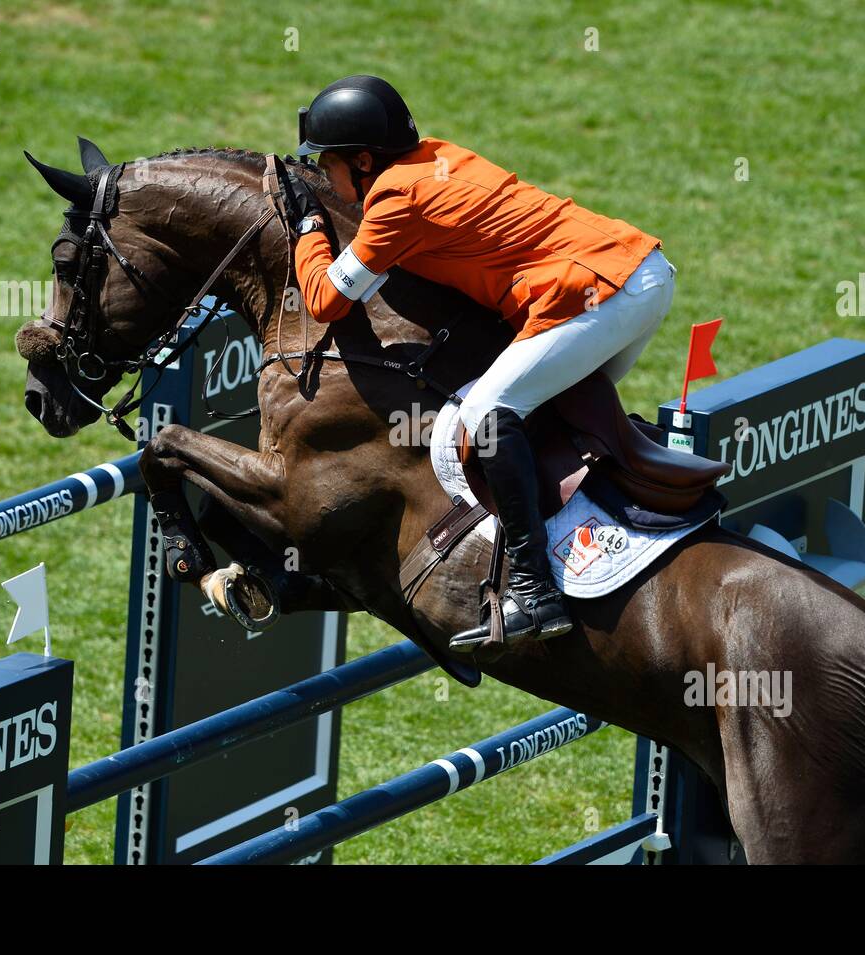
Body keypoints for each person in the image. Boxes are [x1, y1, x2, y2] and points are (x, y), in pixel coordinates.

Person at [282, 75, 675, 653]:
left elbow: (324, 299)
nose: (327, 179)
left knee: (489, 412)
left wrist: (310, 231)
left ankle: (533, 590)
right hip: (642, 273)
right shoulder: (435, 156)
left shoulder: (395, 198)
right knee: (548, 416)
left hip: (600, 289)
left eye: (329, 165)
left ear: (364, 161)